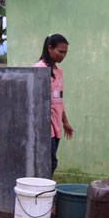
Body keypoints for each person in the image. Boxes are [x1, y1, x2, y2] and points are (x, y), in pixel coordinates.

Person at [34, 34, 73, 178]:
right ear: (50, 48)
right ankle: (44, 191)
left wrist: (65, 122)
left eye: (65, 53)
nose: (63, 56)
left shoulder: (59, 71)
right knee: (50, 162)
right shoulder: (39, 69)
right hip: (44, 125)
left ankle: (46, 191)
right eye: (60, 52)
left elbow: (59, 100)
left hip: (56, 124)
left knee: (51, 161)